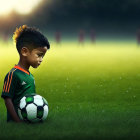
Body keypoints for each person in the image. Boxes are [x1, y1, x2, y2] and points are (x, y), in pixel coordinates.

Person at [1, 25, 50, 122]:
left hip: (27, 120)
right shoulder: (13, 74)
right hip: (16, 122)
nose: (41, 60)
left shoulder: (30, 76)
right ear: (24, 52)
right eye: (39, 55)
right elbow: (7, 100)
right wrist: (17, 122)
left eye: (43, 56)